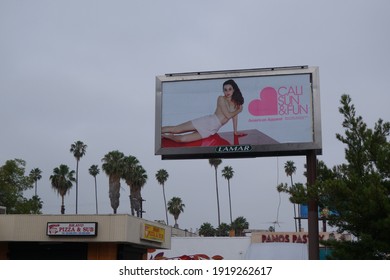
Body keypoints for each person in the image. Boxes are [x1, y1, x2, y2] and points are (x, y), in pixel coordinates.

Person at [162, 79, 245, 143]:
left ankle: (164, 136)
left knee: (182, 139)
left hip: (212, 129)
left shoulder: (236, 103)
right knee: (176, 130)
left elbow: (234, 117)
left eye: (230, 89)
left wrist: (235, 132)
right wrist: (239, 110)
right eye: (225, 89)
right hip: (207, 122)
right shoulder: (221, 98)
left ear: (234, 90)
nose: (227, 92)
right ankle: (157, 131)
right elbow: (228, 115)